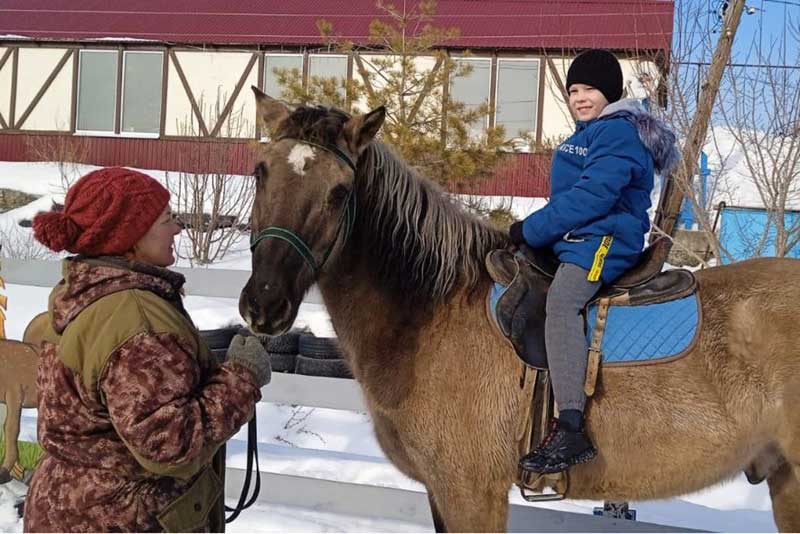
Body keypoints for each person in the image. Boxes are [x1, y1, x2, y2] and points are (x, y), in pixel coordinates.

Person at [24, 167, 270, 532]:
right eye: (166, 219)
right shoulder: (136, 320)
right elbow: (169, 444)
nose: (177, 229)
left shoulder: (85, 295)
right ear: (130, 234)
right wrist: (241, 378)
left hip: (75, 508)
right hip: (122, 518)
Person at [509, 49, 678, 474]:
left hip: (605, 239)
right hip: (579, 237)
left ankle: (570, 425)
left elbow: (593, 198)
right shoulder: (587, 134)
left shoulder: (617, 133)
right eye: (573, 91)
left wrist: (530, 230)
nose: (580, 97)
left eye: (589, 89)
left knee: (563, 303)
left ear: (610, 91)